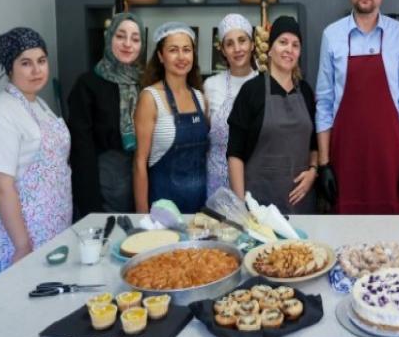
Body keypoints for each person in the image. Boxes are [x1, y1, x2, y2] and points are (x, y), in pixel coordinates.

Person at [315, 0, 399, 214]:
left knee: (390, 243)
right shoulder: (332, 35)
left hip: (388, 158)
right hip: (345, 158)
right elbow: (324, 103)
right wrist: (325, 165)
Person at [0, 27, 72, 275]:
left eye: (41, 61)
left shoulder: (39, 104)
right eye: (26, 63)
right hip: (20, 245)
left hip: (52, 233)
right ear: (10, 68)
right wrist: (21, 245)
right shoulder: (0, 115)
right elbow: (1, 186)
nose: (37, 70)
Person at [226, 16, 317, 214]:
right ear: (270, 48)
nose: (289, 50)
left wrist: (313, 171)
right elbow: (235, 154)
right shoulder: (251, 91)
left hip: (301, 204)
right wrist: (242, 207)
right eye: (282, 42)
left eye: (295, 45)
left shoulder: (306, 92)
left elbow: (314, 144)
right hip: (260, 206)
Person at [68, 12, 143, 216]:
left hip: (140, 179)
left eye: (135, 39)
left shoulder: (143, 82)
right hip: (104, 183)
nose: (128, 44)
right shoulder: (87, 85)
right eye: (120, 36)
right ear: (109, 38)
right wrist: (89, 203)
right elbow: (81, 149)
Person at [133, 22, 208, 214]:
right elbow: (140, 162)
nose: (181, 57)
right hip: (162, 210)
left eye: (187, 50)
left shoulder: (200, 97)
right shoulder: (150, 98)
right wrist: (142, 216)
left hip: (199, 208)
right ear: (160, 56)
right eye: (173, 50)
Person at [204, 13, 258, 196]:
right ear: (223, 50)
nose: (237, 48)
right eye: (229, 43)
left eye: (242, 40)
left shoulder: (264, 85)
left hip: (253, 182)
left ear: (252, 44)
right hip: (216, 186)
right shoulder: (210, 86)